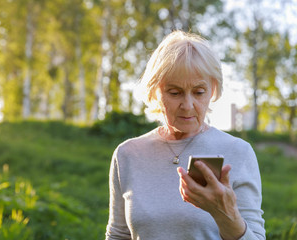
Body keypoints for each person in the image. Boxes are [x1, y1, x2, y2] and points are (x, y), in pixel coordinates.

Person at [105, 30, 265, 240]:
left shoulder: (238, 152)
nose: (188, 106)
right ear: (155, 91)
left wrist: (225, 214)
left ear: (213, 89)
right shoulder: (127, 154)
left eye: (199, 92)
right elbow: (118, 234)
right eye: (175, 92)